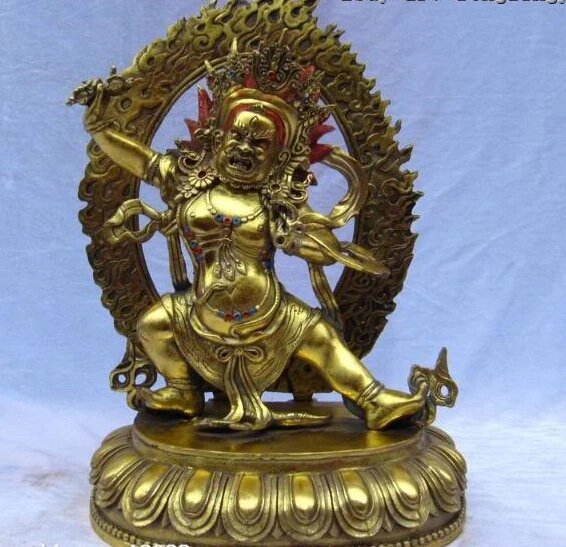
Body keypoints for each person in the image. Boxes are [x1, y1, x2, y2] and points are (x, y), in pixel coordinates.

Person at [79, 42, 427, 431]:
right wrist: (99, 128)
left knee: (324, 340)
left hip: (271, 314)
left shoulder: (277, 201)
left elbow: (312, 242)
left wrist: (315, 244)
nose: (245, 149)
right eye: (238, 137)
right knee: (151, 325)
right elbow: (141, 161)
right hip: (198, 312)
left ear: (280, 156)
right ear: (217, 138)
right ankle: (183, 390)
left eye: (260, 144)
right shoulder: (187, 180)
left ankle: (373, 399)